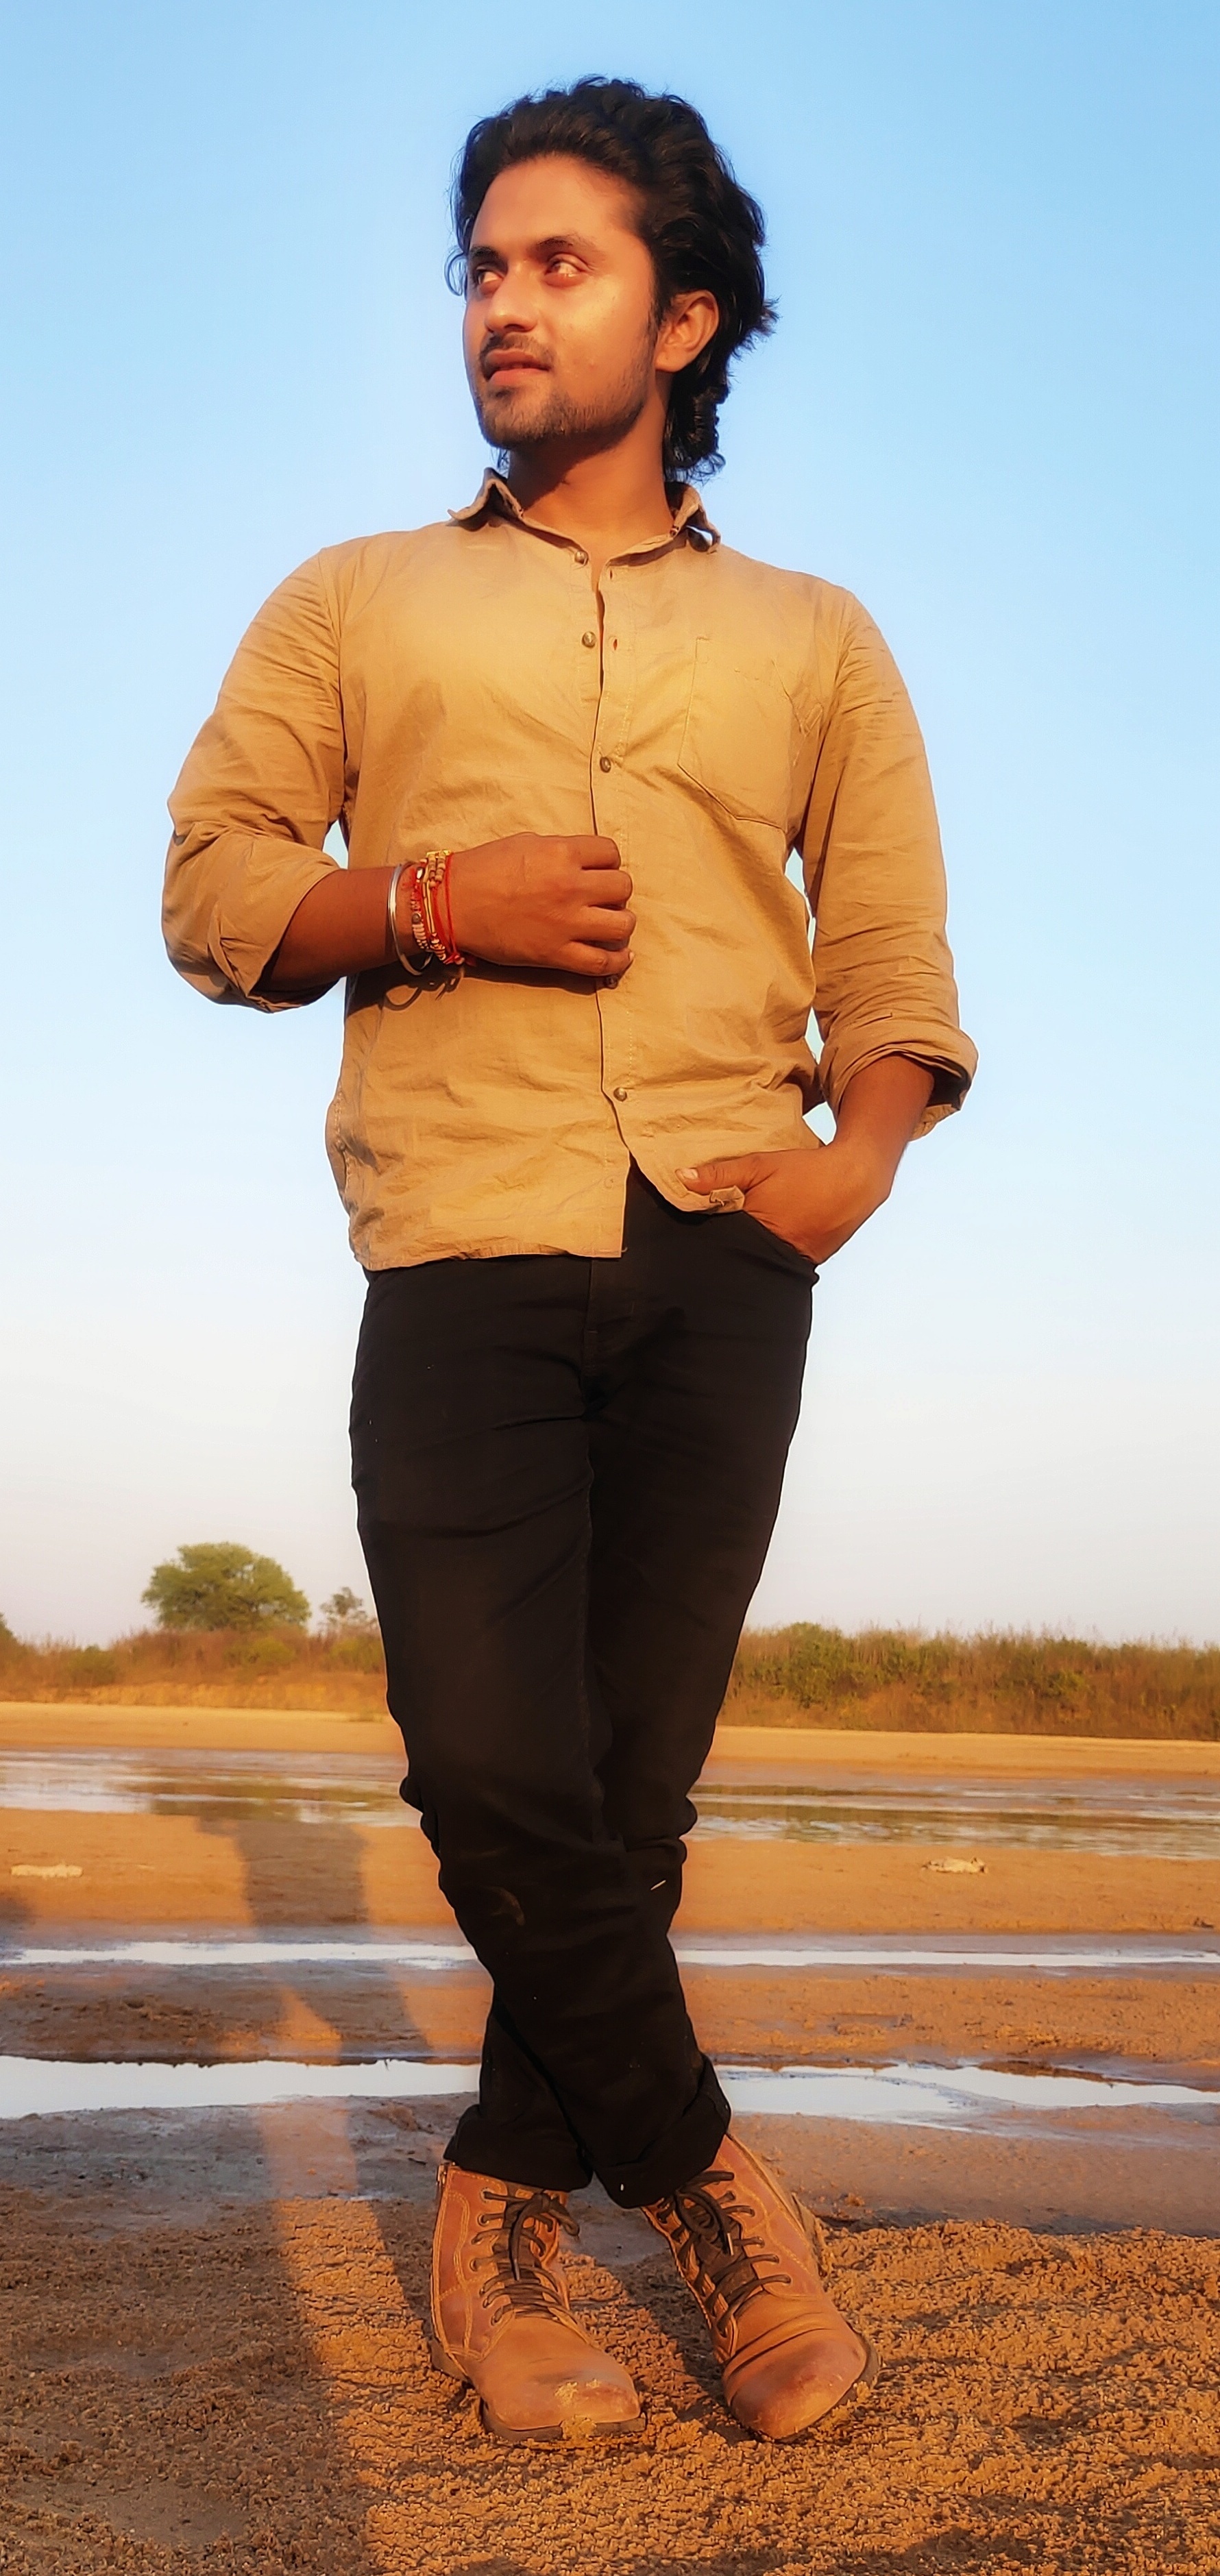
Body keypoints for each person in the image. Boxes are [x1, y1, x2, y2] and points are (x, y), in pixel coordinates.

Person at [164, 76, 975, 2447]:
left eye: (559, 264)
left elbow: (892, 953)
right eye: (480, 269)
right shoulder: (353, 598)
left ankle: (500, 2222)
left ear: (681, 316)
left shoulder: (817, 637)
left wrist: (858, 1161)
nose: (500, 307)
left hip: (726, 1243)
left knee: (631, 1792)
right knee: (491, 1758)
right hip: (462, 1231)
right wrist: (436, 901)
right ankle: (714, 2189)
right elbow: (214, 892)